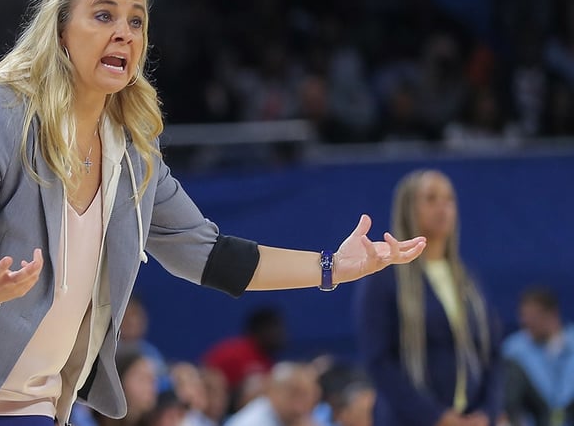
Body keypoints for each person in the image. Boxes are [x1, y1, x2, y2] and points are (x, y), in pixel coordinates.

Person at [0, 0, 426, 426]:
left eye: (136, 20)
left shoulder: (132, 156)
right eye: (104, 14)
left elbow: (209, 255)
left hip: (23, 401)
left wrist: (331, 267)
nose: (125, 33)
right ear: (60, 32)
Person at [354, 169, 502, 426]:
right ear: (408, 208)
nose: (442, 207)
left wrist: (487, 414)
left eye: (449, 199)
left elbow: (493, 354)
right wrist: (437, 417)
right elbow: (378, 361)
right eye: (431, 198)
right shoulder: (384, 278)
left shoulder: (468, 281)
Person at [502, 286, 574, 426]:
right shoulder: (513, 348)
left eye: (534, 317)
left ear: (553, 315)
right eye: (524, 316)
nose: (527, 322)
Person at [223, 361, 324, 426]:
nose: (300, 404)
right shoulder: (252, 422)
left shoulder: (298, 418)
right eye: (293, 394)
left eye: (306, 394)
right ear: (273, 392)